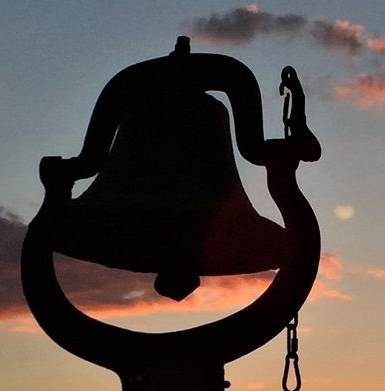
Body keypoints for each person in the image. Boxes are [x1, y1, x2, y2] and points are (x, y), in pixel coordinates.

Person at [40, 36, 320, 301]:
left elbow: (89, 161)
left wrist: (60, 185)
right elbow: (254, 149)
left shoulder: (133, 93)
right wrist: (282, 171)